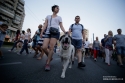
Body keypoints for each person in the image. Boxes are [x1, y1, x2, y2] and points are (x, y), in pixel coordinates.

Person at [40, 5, 66, 71]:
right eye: (57, 8)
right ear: (53, 9)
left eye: (59, 8)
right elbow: (45, 24)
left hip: (55, 33)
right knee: (44, 47)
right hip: (48, 32)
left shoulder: (59, 17)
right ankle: (50, 56)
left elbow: (61, 26)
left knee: (51, 48)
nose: (58, 9)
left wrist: (65, 31)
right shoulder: (48, 16)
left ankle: (48, 63)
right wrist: (42, 32)